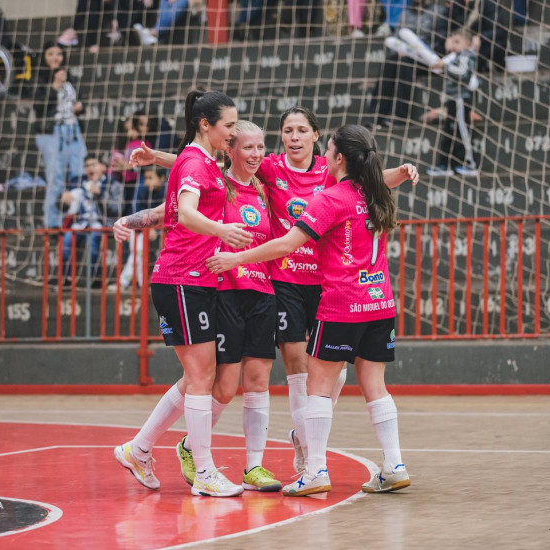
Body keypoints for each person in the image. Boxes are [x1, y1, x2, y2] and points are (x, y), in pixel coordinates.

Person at [130, 105, 418, 478]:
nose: (293, 137)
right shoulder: (269, 168)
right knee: (285, 368)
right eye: (287, 130)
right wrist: (158, 159)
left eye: (301, 130)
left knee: (327, 375)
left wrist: (402, 172)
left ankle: (304, 447)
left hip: (327, 285)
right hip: (283, 282)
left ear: (318, 138)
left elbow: (373, 176)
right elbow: (211, 166)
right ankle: (307, 459)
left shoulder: (330, 176)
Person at [206, 124, 412, 497]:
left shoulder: (331, 198)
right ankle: (395, 465)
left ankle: (315, 470)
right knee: (375, 386)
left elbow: (286, 244)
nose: (324, 157)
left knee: (317, 387)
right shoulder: (376, 193)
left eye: (328, 150)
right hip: (380, 302)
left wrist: (236, 257)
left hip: (342, 304)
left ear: (340, 158)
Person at [113, 121, 283, 492]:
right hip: (221, 289)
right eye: (247, 147)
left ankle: (251, 466)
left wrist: (157, 157)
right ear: (229, 149)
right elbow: (175, 201)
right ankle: (180, 452)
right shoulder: (216, 182)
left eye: (261, 147)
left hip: (261, 291)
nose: (256, 154)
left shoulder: (264, 184)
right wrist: (129, 219)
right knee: (215, 384)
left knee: (254, 379)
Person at [363, 0, 447, 129]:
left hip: (428, 60)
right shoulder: (405, 13)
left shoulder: (438, 11)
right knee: (390, 62)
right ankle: (376, 116)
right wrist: (400, 50)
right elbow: (397, 37)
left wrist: (418, 53)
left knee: (405, 64)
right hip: (405, 54)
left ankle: (400, 117)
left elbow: (440, 40)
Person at [33, 41, 88, 231]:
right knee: (55, 178)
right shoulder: (39, 78)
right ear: (44, 57)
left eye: (58, 54)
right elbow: (38, 106)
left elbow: (79, 101)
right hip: (52, 132)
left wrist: (80, 107)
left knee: (78, 174)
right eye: (50, 54)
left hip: (73, 130)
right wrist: (55, 85)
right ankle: (52, 224)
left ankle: (77, 218)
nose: (55, 58)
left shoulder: (69, 76)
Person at [426, 29, 479, 177]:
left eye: (457, 42)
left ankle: (469, 163)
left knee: (461, 131)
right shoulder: (454, 57)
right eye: (452, 41)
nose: (454, 45)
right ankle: (445, 165)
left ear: (468, 44)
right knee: (449, 132)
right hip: (452, 100)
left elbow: (463, 73)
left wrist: (444, 66)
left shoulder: (467, 55)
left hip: (460, 99)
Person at [56, 155, 107, 286]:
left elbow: (116, 209)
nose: (90, 168)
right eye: (87, 166)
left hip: (99, 224)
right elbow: (62, 206)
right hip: (79, 224)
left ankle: (94, 278)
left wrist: (100, 195)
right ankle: (66, 278)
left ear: (103, 167)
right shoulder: (77, 182)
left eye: (93, 165)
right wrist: (63, 198)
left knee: (93, 243)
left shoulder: (111, 183)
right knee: (66, 241)